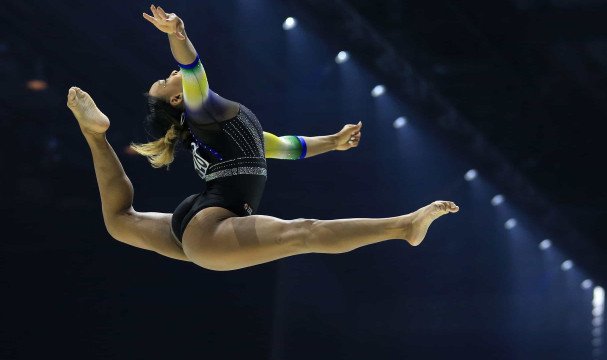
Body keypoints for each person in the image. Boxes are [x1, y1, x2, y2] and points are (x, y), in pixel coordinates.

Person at [66, 5, 459, 271]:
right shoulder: (201, 109)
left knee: (119, 221)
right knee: (304, 232)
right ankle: (403, 226)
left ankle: (93, 135)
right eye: (167, 80)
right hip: (211, 225)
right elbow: (192, 67)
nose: (172, 73)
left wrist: (332, 142)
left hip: (203, 223)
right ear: (177, 97)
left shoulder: (224, 128)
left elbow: (284, 147)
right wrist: (178, 33)